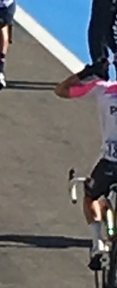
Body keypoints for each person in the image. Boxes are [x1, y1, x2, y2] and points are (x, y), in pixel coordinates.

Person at [54, 71, 117, 269]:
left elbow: (61, 90)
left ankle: (98, 244)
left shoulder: (103, 89)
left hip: (109, 163)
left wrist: (86, 73)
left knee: (91, 196)